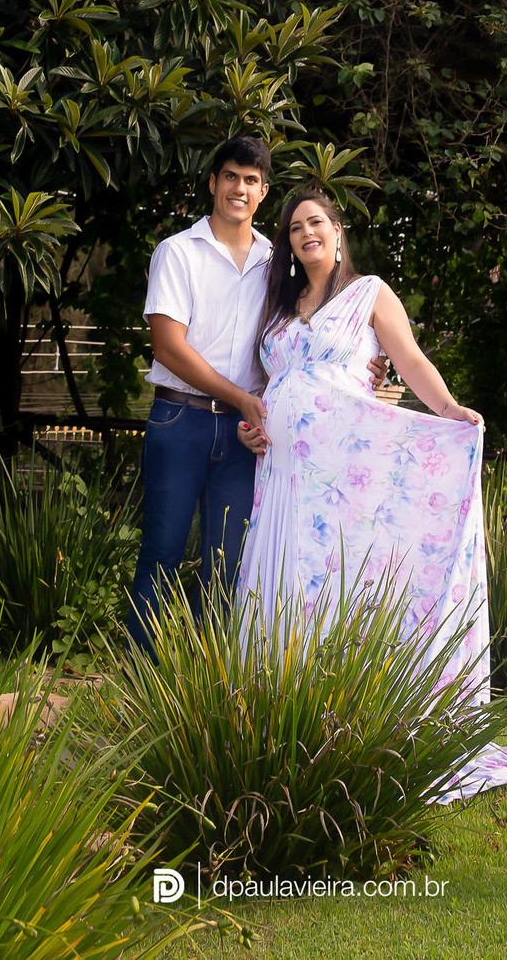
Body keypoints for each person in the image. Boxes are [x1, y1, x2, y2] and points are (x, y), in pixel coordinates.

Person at [235, 188, 507, 797]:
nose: (306, 233)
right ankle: (272, 721)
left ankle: (351, 717)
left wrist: (450, 408)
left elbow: (411, 358)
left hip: (346, 476)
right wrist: (254, 424)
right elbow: (272, 387)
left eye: (317, 222)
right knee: (284, 580)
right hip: (286, 476)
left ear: (339, 230)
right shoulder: (277, 310)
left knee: (339, 581)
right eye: (295, 228)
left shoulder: (367, 293)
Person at [127, 137, 387, 651]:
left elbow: (306, 333)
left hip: (249, 435)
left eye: (250, 180)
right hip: (182, 420)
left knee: (228, 563)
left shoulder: (278, 261)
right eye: (230, 176)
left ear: (263, 192)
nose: (239, 188)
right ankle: (142, 683)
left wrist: (362, 362)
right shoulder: (178, 252)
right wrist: (244, 398)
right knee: (162, 550)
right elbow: (168, 347)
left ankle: (212, 683)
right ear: (213, 183)